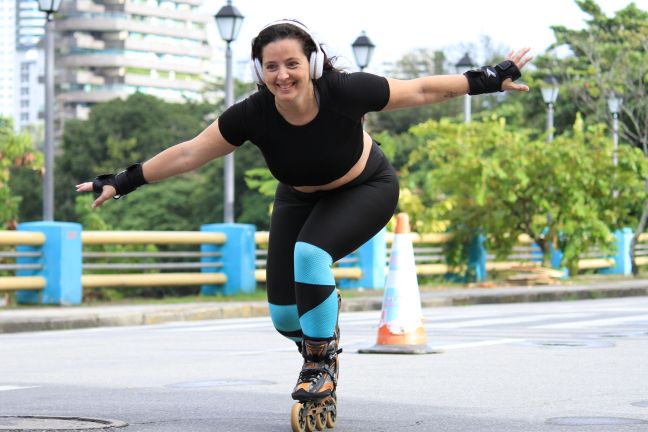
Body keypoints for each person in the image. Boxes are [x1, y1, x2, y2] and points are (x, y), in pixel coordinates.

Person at [77, 19, 531, 406]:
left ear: (311, 63)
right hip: (297, 196)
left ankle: (318, 364)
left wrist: (490, 78)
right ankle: (321, 346)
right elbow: (189, 153)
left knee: (310, 255)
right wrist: (124, 180)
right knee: (283, 316)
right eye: (271, 66)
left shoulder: (346, 91)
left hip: (365, 186)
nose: (283, 75)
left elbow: (422, 89)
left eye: (292, 63)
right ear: (259, 70)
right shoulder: (252, 114)